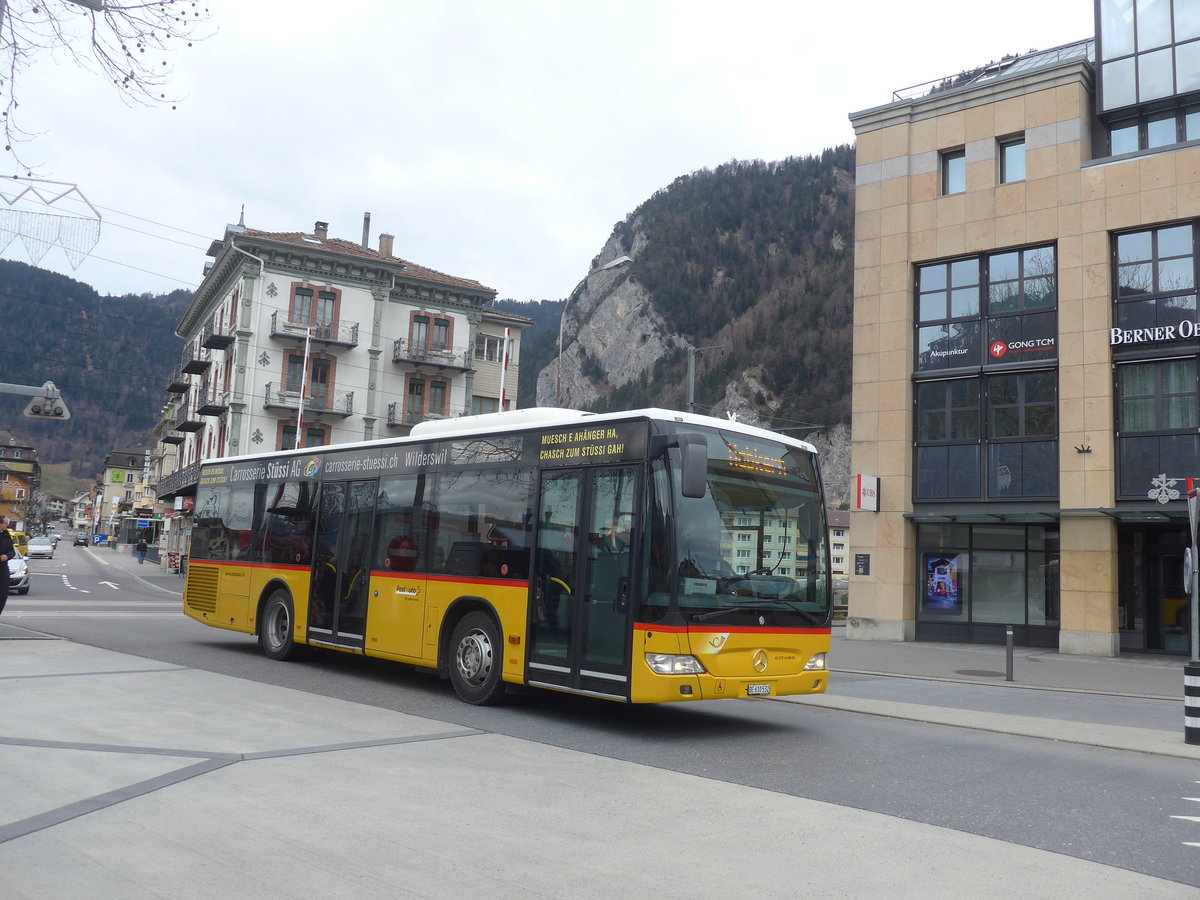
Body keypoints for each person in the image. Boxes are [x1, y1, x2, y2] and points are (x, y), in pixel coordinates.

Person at [0, 515, 14, 616]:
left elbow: (12, 551)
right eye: (5, 523)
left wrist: (7, 556)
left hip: (3, 571)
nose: (7, 525)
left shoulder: (6, 535)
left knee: (2, 596)